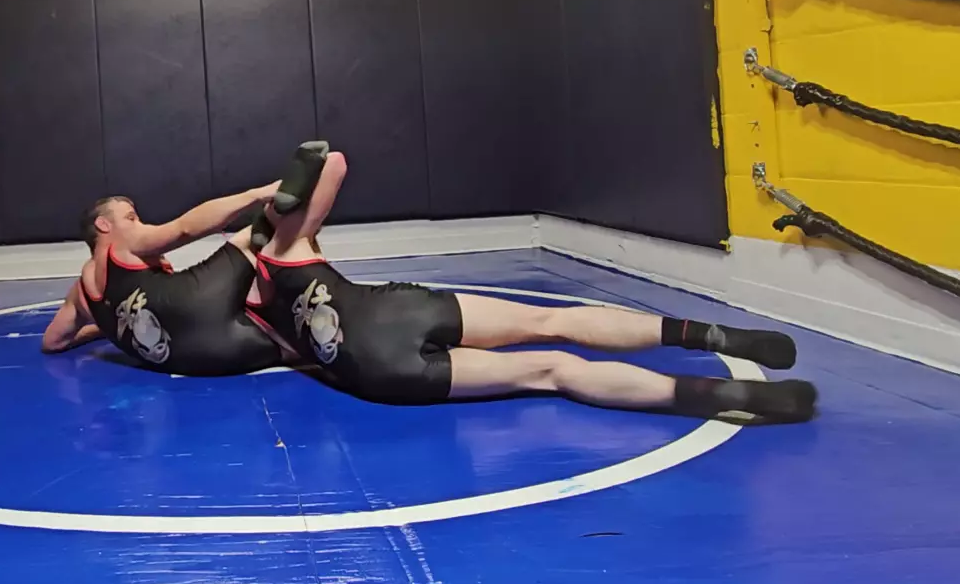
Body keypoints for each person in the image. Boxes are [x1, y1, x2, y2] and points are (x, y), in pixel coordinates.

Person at [251, 152, 818, 421]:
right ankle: (703, 333)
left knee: (552, 370)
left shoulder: (255, 307)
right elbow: (333, 160)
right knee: (553, 320)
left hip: (377, 368)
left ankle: (729, 399)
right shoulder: (288, 247)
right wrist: (282, 193)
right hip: (395, 308)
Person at [41, 144, 331, 376]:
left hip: (198, 358)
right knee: (259, 235)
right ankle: (278, 213)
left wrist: (104, 328)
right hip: (193, 303)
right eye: (131, 217)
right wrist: (256, 194)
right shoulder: (123, 243)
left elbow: (53, 341)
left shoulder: (80, 294)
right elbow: (185, 229)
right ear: (103, 225)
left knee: (289, 344)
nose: (139, 224)